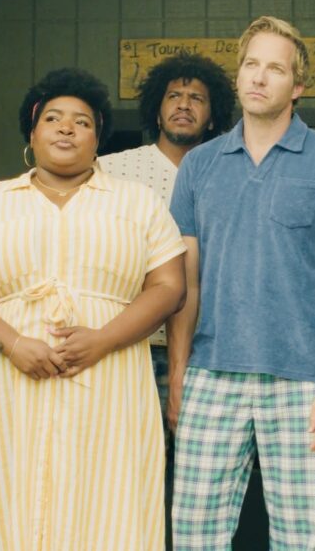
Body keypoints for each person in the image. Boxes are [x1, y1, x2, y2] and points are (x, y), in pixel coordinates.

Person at [0, 67, 186, 550]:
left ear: (99, 139)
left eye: (82, 121)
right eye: (52, 118)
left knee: (109, 501)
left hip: (109, 378)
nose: (66, 128)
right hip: (3, 378)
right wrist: (13, 343)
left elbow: (168, 286)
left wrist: (102, 340)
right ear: (33, 133)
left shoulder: (138, 204)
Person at [167, 16, 315, 550]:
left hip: (304, 381)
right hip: (211, 375)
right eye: (251, 65)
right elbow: (185, 284)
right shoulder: (199, 166)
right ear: (238, 77)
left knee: (296, 541)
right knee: (194, 537)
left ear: (297, 87)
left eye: (275, 69)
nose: (260, 77)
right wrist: (177, 377)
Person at [98, 52, 234, 433]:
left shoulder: (230, 174)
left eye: (197, 99)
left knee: (198, 479)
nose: (184, 106)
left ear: (213, 116)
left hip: (209, 348)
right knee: (133, 470)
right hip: (131, 344)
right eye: (174, 96)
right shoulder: (114, 170)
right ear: (157, 112)